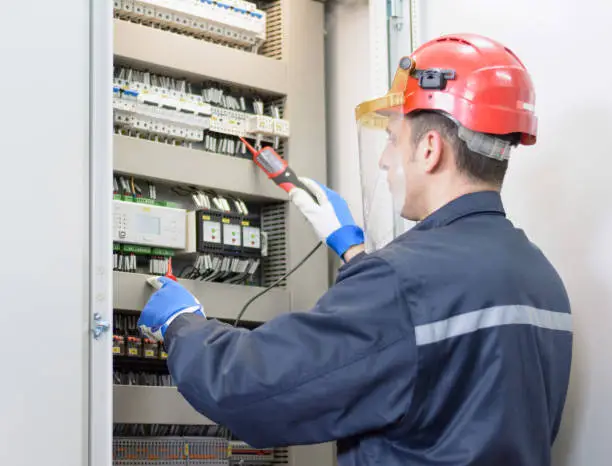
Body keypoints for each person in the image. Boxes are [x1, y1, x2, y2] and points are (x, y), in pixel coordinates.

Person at [138, 33, 573, 465]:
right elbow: (443, 386)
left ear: (429, 149)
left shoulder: (401, 282)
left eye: (391, 138)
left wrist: (183, 327)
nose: (385, 159)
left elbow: (249, 386)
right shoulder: (541, 278)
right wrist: (356, 256)